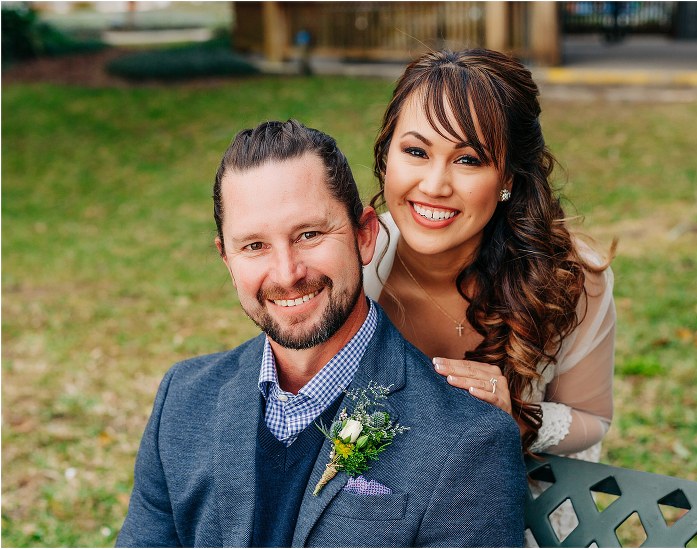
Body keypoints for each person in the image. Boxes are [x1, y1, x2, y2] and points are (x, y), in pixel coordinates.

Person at [117, 120, 526, 547]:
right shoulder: (182, 400)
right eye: (254, 246)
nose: (287, 273)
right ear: (227, 259)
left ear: (365, 235)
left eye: (309, 235)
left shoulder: (468, 438)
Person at [363, 48, 616, 462]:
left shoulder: (570, 278)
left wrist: (515, 417)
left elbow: (591, 419)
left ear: (508, 180)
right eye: (416, 152)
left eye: (468, 159)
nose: (434, 185)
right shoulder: (348, 265)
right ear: (386, 155)